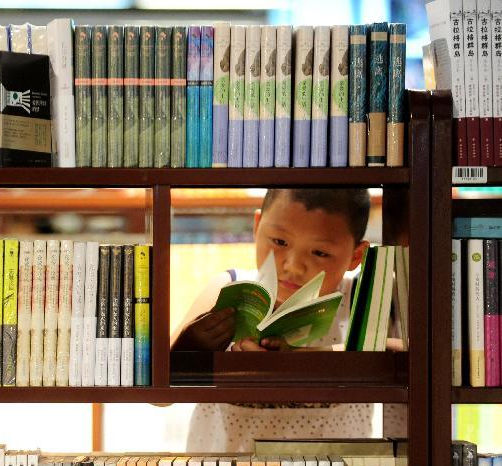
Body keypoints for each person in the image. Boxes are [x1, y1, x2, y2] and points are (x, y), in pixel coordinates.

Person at [171, 187, 407, 452]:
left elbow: (416, 363)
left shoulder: (364, 299)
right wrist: (188, 348)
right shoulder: (228, 289)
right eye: (280, 242)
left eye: (320, 253)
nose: (293, 265)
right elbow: (160, 400)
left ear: (355, 256)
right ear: (257, 225)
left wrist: (302, 359)